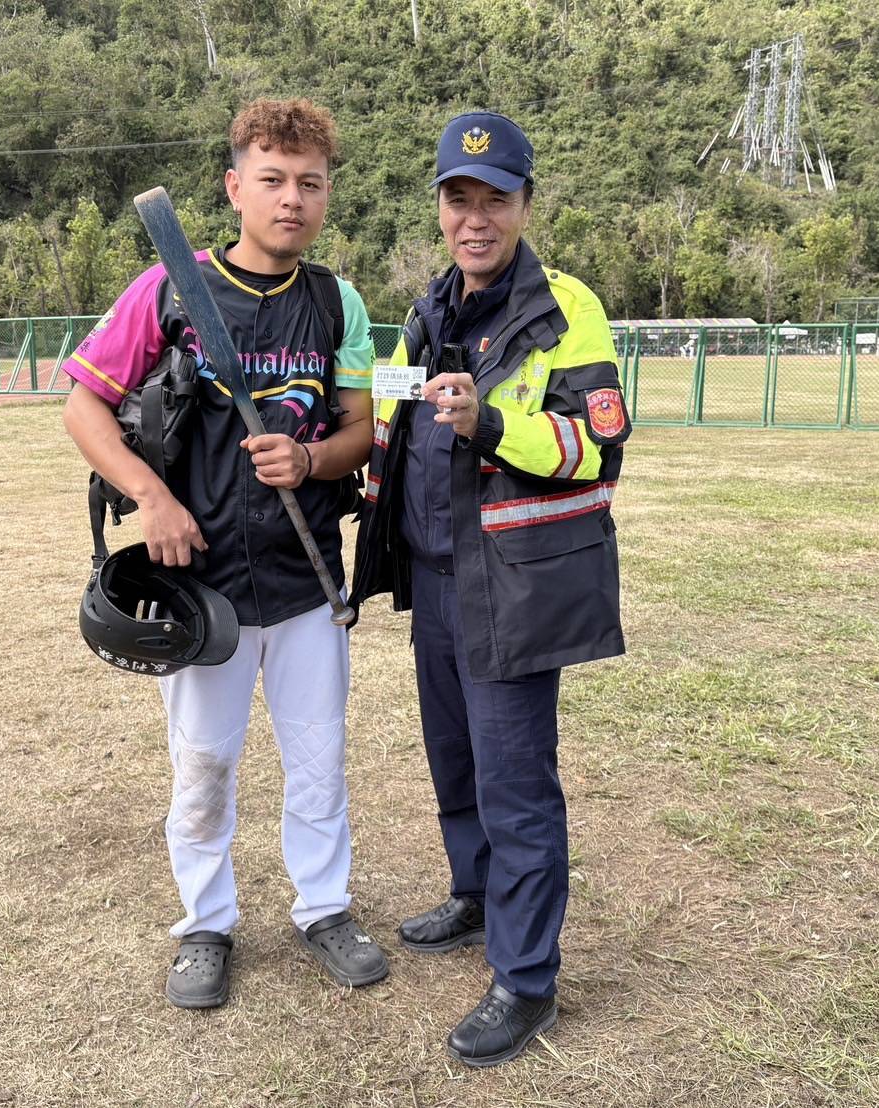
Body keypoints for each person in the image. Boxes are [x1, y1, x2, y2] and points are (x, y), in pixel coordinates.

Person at [60, 98, 387, 1008]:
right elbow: (83, 406)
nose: (292, 199)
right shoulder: (168, 288)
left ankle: (324, 908)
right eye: (272, 180)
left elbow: (360, 430)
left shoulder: (336, 301)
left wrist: (312, 459)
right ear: (235, 187)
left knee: (319, 760)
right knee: (202, 766)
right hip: (200, 586)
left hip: (305, 581)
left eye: (310, 183)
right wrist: (152, 497)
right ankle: (205, 924)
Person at [352, 111, 630, 1067]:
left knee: (515, 783)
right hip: (432, 577)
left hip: (508, 584)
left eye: (494, 200)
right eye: (458, 199)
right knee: (457, 764)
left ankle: (526, 980)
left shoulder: (565, 308)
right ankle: (475, 897)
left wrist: (489, 425)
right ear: (438, 207)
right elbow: (397, 425)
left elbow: (598, 445)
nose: (475, 219)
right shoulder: (428, 306)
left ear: (523, 205)